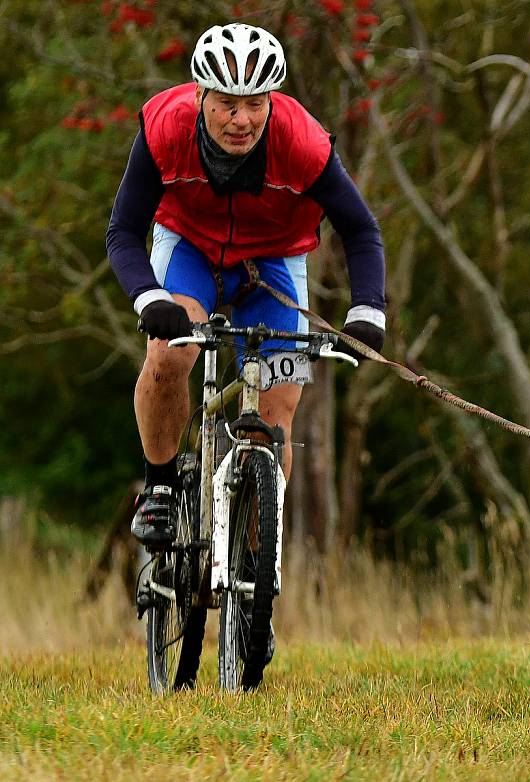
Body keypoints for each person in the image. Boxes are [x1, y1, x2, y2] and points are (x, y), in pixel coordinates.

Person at [107, 23, 386, 548]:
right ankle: (161, 488)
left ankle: (255, 586)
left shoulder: (303, 142)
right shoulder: (164, 126)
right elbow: (122, 231)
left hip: (274, 262)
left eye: (255, 103)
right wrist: (149, 298)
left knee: (276, 414)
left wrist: (368, 311)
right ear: (200, 96)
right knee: (169, 355)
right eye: (227, 104)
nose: (242, 120)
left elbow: (361, 230)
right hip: (189, 246)